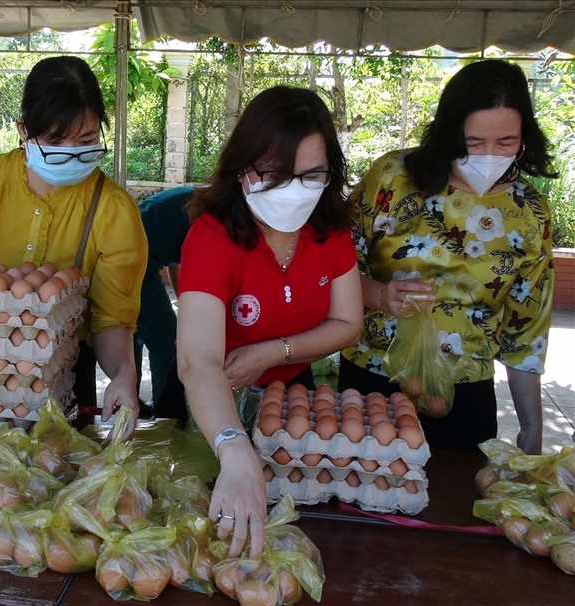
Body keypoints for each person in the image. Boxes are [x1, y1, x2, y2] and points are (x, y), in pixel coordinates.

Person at [0, 56, 147, 437]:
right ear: (23, 130)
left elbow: (111, 320)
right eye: (54, 140)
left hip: (63, 368)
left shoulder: (113, 211)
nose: (71, 151)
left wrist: (123, 376)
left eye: (86, 140)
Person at [177, 86, 362, 557]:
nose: (295, 189)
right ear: (243, 169)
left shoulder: (330, 228)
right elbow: (198, 360)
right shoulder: (213, 236)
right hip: (216, 401)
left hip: (291, 396)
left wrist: (273, 351)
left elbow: (347, 322)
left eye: (312, 174)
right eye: (276, 174)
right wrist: (231, 446)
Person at [338, 59, 556, 455]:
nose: (489, 155)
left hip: (466, 394)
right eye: (472, 143)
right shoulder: (392, 177)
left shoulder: (529, 213)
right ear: (448, 131)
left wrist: (531, 432)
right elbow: (334, 270)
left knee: (454, 507)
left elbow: (525, 331)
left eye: (505, 143)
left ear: (525, 136)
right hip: (373, 384)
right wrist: (381, 295)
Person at [134, 186, 193, 414]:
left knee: (133, 332)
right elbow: (191, 268)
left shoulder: (189, 199)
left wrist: (183, 301)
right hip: (132, 263)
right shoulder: (210, 214)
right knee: (168, 340)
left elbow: (176, 262)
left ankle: (132, 406)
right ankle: (167, 413)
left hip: (134, 260)